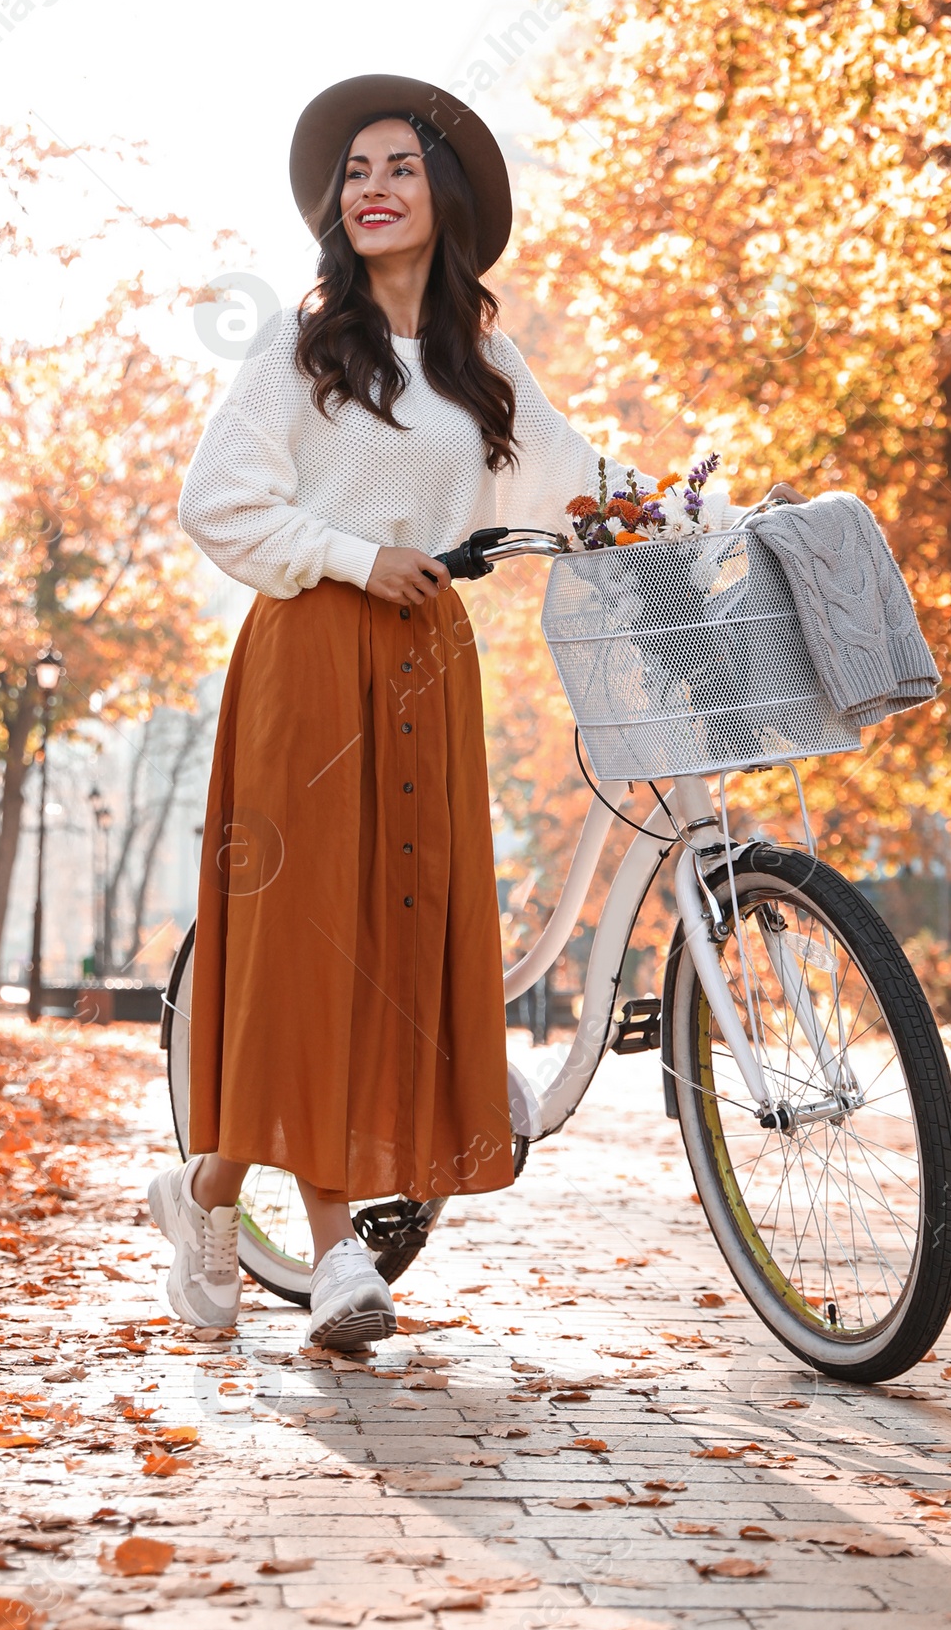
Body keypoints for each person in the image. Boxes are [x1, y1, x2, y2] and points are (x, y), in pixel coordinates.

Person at [146, 74, 654, 1349]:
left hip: (429, 662)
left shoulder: (481, 362)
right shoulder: (302, 344)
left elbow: (573, 474)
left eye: (398, 171)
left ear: (445, 203)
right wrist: (347, 554)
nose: (370, 189)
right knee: (313, 944)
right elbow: (218, 504)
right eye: (355, 172)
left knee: (398, 940)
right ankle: (334, 1261)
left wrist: (677, 513)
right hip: (313, 657)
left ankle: (203, 1190)